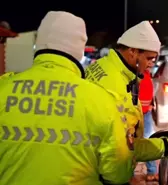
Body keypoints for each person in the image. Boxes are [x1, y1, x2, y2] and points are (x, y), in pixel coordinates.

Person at [0, 11, 142, 185]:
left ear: (39, 44)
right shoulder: (100, 100)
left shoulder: (3, 88)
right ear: (79, 50)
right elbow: (118, 174)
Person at [85, 21, 168, 165]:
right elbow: (122, 148)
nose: (152, 64)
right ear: (133, 51)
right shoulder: (116, 86)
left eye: (154, 59)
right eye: (149, 58)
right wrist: (167, 146)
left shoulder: (103, 66)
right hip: (102, 169)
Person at [139, 62, 158, 181]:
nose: (151, 62)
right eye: (148, 59)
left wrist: (150, 104)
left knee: (148, 141)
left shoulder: (147, 74)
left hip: (146, 113)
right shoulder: (136, 74)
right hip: (136, 114)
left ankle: (152, 171)